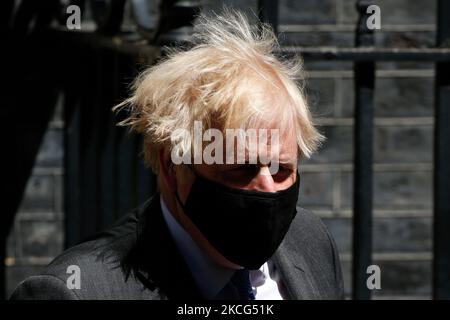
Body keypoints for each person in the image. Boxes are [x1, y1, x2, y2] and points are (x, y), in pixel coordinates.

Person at [11, 9, 344, 300]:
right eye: (240, 169)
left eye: (281, 169)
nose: (267, 188)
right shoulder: (72, 292)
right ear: (172, 167)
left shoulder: (310, 241)